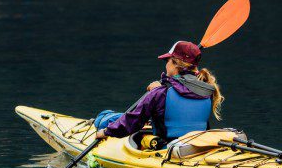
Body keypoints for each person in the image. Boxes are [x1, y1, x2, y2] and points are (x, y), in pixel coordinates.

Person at [94, 41, 223, 148]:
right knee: (116, 117)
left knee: (105, 118)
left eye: (167, 60)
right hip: (197, 147)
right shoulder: (207, 90)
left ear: (175, 64)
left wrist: (106, 132)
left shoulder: (161, 92)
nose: (166, 64)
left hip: (166, 149)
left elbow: (132, 122)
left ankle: (99, 121)